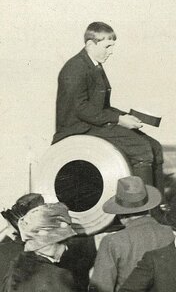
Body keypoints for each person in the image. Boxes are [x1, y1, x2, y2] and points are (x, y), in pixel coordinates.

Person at [53, 22, 164, 188]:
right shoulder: (75, 68)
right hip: (79, 128)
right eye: (107, 47)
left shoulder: (94, 65)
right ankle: (142, 203)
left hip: (92, 123)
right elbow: (81, 109)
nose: (111, 52)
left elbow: (101, 107)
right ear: (90, 45)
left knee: (155, 147)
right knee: (141, 148)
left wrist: (125, 116)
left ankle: (157, 201)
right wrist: (118, 120)